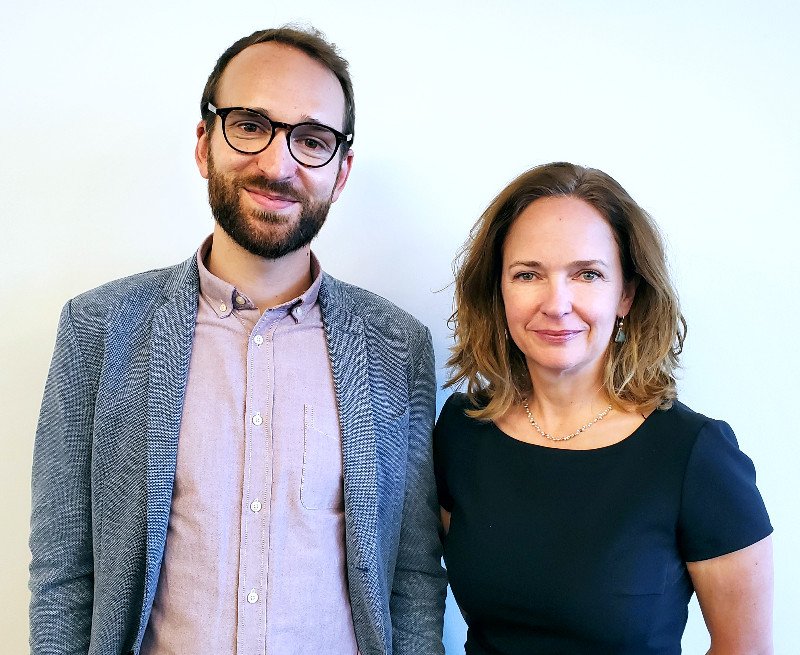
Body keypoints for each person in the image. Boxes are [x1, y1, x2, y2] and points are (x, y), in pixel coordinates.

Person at [29, 26, 446, 655]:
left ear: (341, 171)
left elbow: (411, 576)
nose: (278, 165)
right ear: (205, 143)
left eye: (312, 140)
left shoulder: (397, 348)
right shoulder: (100, 328)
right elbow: (64, 569)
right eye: (250, 125)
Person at [434, 162, 773, 654]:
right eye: (528, 274)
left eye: (587, 274)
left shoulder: (695, 456)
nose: (557, 303)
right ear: (498, 289)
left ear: (626, 295)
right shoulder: (462, 434)